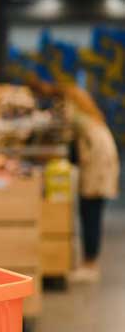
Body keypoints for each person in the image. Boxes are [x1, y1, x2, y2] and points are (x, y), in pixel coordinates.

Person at [57, 83, 119, 282]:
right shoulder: (91, 117)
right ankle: (89, 262)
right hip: (101, 166)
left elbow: (66, 127)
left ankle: (90, 265)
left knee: (90, 213)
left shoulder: (78, 117)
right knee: (92, 212)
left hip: (97, 169)